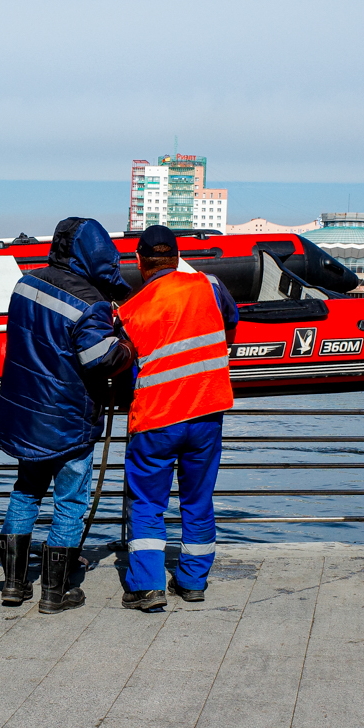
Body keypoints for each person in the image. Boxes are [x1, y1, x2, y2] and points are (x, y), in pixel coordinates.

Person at [0, 218, 135, 613]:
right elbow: (98, 357)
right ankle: (56, 593)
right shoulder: (91, 303)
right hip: (70, 420)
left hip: (27, 416)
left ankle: (13, 584)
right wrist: (125, 345)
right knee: (70, 501)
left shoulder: (25, 284)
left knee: (26, 492)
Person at [115, 226, 239, 611]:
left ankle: (148, 586)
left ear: (139, 262)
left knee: (148, 502)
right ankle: (192, 580)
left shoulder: (131, 309)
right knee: (198, 499)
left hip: (156, 418)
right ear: (177, 256)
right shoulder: (211, 286)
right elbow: (230, 326)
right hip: (206, 410)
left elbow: (122, 364)